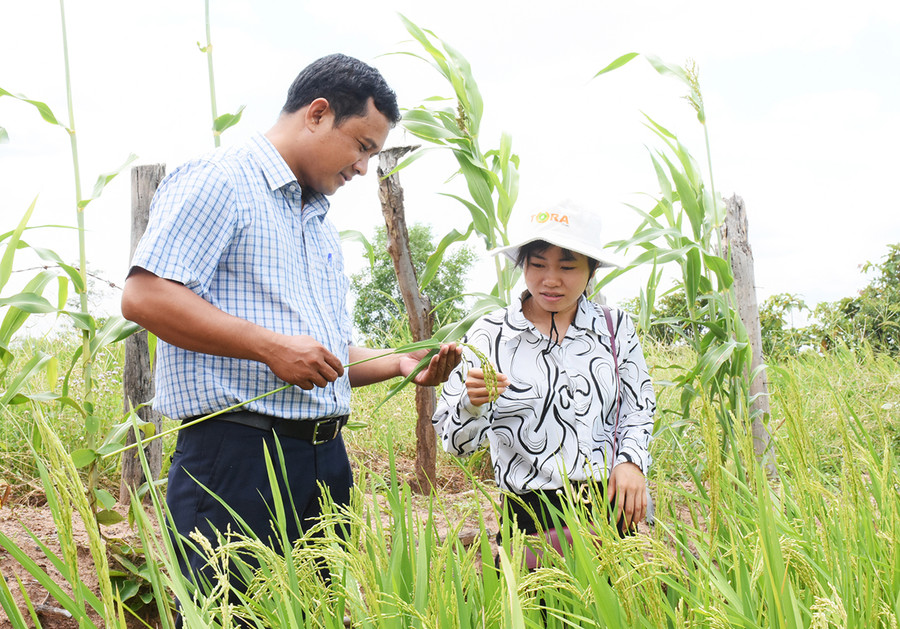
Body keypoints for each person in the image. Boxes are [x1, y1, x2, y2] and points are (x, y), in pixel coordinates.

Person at [121, 53, 461, 599]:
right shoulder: (221, 180)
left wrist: (400, 363)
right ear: (319, 113)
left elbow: (319, 355)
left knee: (316, 612)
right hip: (237, 456)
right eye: (363, 146)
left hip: (323, 459)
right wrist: (268, 347)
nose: (362, 167)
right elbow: (145, 296)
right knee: (229, 613)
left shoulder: (316, 221)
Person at [432, 204, 655, 547]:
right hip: (532, 515)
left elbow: (638, 408)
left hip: (610, 507)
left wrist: (631, 462)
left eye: (567, 267)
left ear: (592, 269)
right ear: (522, 265)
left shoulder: (614, 328)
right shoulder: (490, 335)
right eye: (537, 265)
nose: (551, 280)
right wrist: (471, 403)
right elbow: (455, 445)